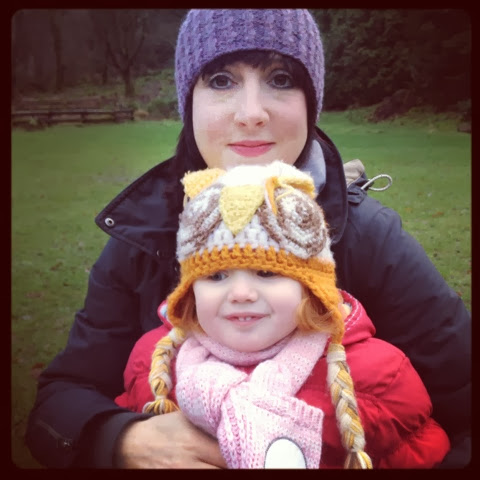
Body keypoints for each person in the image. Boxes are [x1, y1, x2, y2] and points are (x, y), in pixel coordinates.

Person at [25, 9, 470, 469]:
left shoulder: (369, 237)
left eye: (281, 79)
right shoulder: (143, 234)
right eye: (221, 80)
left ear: (310, 102)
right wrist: (120, 440)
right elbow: (59, 404)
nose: (252, 113)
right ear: (188, 103)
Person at [114, 161, 451, 469]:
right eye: (216, 276)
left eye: (266, 273)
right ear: (189, 292)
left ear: (310, 287)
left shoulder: (376, 376)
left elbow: (417, 453)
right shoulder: (155, 363)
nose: (240, 293)